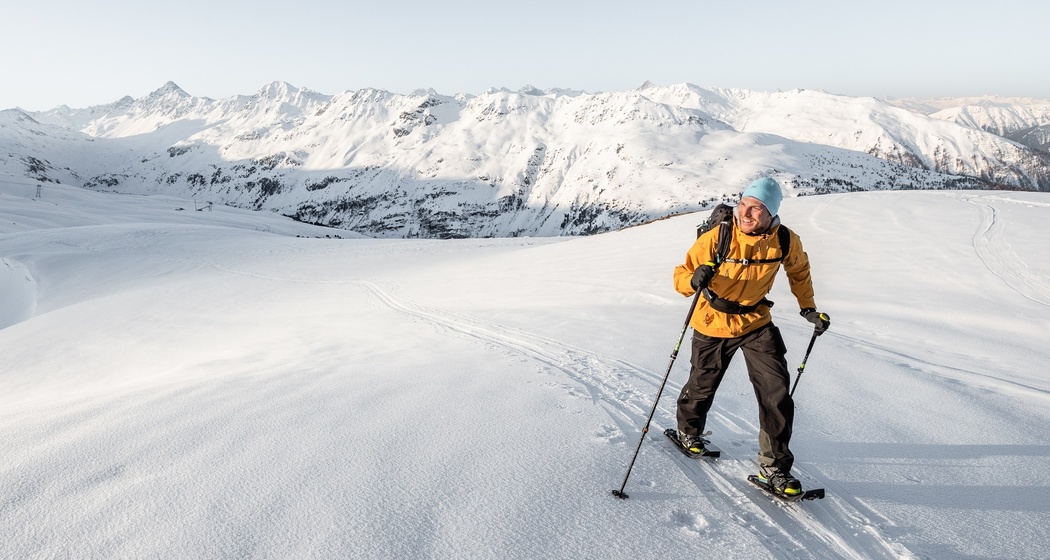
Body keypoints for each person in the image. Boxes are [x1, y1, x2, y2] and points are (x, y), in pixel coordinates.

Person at [671, 177, 830, 496]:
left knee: (776, 392)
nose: (745, 212)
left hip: (756, 321)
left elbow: (799, 271)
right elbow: (680, 276)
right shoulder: (718, 237)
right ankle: (689, 431)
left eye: (756, 208)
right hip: (713, 320)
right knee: (702, 384)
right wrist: (693, 279)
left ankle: (775, 467)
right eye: (743, 204)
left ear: (771, 213)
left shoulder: (784, 240)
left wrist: (808, 308)